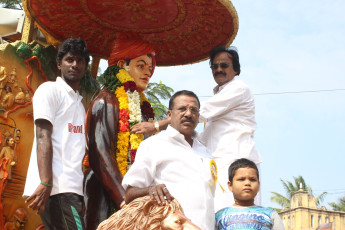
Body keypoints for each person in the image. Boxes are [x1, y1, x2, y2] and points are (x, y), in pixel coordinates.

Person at [131, 45, 262, 212]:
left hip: (236, 161)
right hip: (217, 161)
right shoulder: (221, 92)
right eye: (214, 66)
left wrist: (157, 126)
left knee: (236, 215)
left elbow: (201, 113)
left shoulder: (239, 88)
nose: (218, 69)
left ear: (235, 69)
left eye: (224, 65)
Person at [83, 34, 156, 230]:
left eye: (150, 68)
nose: (148, 73)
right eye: (141, 66)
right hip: (106, 193)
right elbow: (100, 154)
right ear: (122, 64)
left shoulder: (142, 108)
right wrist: (124, 199)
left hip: (136, 197)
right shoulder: (105, 100)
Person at [122, 90, 215, 230]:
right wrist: (150, 190)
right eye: (182, 109)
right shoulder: (153, 145)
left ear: (198, 116)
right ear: (169, 115)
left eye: (193, 110)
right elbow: (129, 195)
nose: (188, 114)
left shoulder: (205, 152)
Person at [23, 37, 89, 230]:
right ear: (59, 64)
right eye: (70, 59)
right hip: (57, 188)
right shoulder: (50, 90)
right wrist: (45, 182)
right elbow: (43, 135)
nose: (75, 64)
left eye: (80, 61)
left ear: (85, 67)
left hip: (73, 189)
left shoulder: (79, 103)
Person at [215, 158, 284, 230]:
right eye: (241, 179)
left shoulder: (270, 215)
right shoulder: (219, 217)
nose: (247, 183)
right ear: (230, 185)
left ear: (259, 185)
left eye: (252, 179)